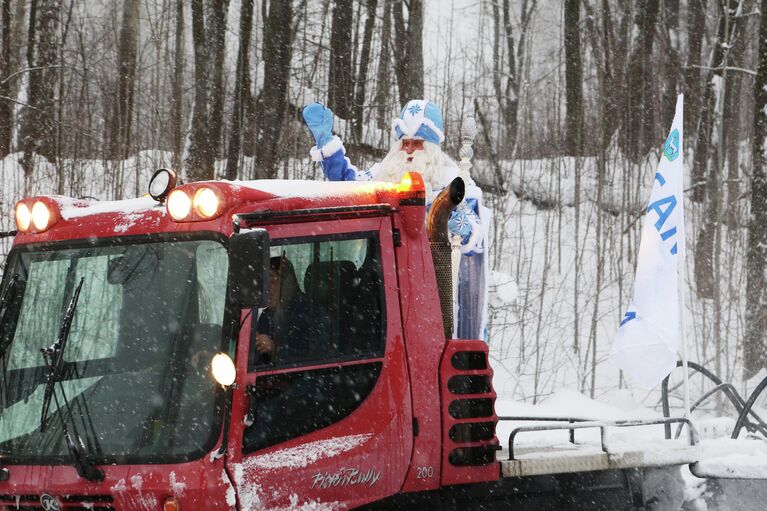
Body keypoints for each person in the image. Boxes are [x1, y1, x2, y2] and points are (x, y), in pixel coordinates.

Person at [302, 100, 490, 340]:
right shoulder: (384, 174)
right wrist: (328, 146)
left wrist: (458, 223)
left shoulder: (453, 183)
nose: (409, 150)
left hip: (432, 292)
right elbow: (349, 186)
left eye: (417, 143)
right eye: (405, 143)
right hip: (384, 289)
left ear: (431, 147)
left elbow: (475, 239)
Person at [249, 256, 327, 368]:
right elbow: (255, 362)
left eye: (272, 280)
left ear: (288, 283)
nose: (266, 289)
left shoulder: (311, 312)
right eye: (263, 283)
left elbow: (314, 358)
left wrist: (275, 349)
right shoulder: (267, 316)